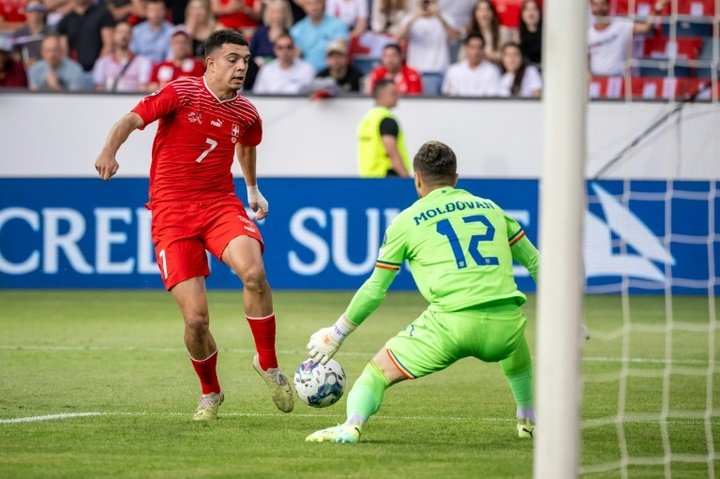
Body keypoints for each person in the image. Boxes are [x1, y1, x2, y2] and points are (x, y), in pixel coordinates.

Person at [93, 29, 294, 420]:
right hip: (172, 214)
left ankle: (267, 364)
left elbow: (246, 145)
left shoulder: (247, 113)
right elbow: (131, 119)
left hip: (220, 204)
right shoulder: (182, 92)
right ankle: (211, 393)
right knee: (196, 321)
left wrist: (252, 190)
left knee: (253, 272)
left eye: (247, 61)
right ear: (212, 62)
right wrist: (108, 150)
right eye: (233, 59)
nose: (241, 67)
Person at [304, 140, 538, 444]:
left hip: (450, 326)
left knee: (375, 373)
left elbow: (376, 289)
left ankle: (351, 425)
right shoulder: (493, 209)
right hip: (505, 325)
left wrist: (337, 333)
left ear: (417, 180)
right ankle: (529, 418)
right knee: (516, 347)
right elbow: (535, 261)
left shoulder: (406, 221)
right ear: (456, 178)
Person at [395, 0, 459, 96]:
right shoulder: (410, 17)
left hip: (438, 71)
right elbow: (398, 37)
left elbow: (455, 37)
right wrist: (415, 17)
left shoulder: (445, 18)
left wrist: (439, 16)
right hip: (415, 72)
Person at [588, 0, 668, 77]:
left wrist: (656, 9)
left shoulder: (621, 26)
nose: (599, 8)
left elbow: (645, 27)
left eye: (602, 4)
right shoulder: (587, 33)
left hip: (616, 80)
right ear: (591, 7)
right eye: (595, 4)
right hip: (595, 81)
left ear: (608, 6)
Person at [356, 79, 411, 178]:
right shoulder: (386, 119)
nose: (397, 97)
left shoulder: (367, 120)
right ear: (381, 95)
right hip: (387, 176)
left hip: (367, 177)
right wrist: (406, 178)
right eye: (393, 94)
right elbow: (391, 151)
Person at [56, 0, 115, 74]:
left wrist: (98, 69)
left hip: (97, 70)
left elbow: (109, 44)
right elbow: (63, 51)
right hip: (75, 72)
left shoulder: (103, 13)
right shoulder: (66, 20)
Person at [93, 21, 153, 92]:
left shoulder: (142, 62)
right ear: (113, 35)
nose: (124, 36)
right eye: (120, 32)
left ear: (132, 37)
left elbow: (142, 88)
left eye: (127, 32)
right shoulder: (102, 62)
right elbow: (98, 88)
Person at [290, 0, 348, 72]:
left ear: (323, 3)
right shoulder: (296, 30)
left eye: (317, 3)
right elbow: (295, 57)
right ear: (303, 6)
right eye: (309, 4)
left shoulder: (339, 25)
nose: (313, 7)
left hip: (332, 71)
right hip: (307, 73)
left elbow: (340, 51)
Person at [442, 32, 502, 97]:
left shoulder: (492, 71)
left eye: (479, 48)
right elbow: (446, 95)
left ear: (483, 49)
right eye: (472, 47)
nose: (475, 52)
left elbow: (493, 98)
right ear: (466, 48)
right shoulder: (453, 70)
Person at [148, 25, 205, 90]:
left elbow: (200, 88)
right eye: (177, 42)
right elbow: (151, 88)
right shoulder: (160, 66)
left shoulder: (197, 65)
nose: (180, 46)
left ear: (189, 45)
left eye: (184, 42)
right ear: (171, 44)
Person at [130, 0, 173, 64]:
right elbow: (131, 55)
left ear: (165, 12)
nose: (156, 14)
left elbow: (171, 58)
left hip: (162, 70)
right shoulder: (136, 31)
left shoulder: (172, 31)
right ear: (146, 12)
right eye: (152, 10)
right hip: (140, 70)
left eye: (159, 10)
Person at [11, 0, 52, 69]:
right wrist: (22, 62)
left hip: (47, 68)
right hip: (25, 70)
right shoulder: (19, 33)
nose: (36, 12)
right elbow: (14, 53)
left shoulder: (51, 32)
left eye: (40, 8)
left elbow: (57, 55)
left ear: (44, 12)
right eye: (31, 9)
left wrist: (38, 62)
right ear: (26, 11)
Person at [515, 0, 541, 66]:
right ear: (522, 14)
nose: (531, 12)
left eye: (534, 9)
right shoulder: (517, 35)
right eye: (527, 9)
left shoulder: (546, 34)